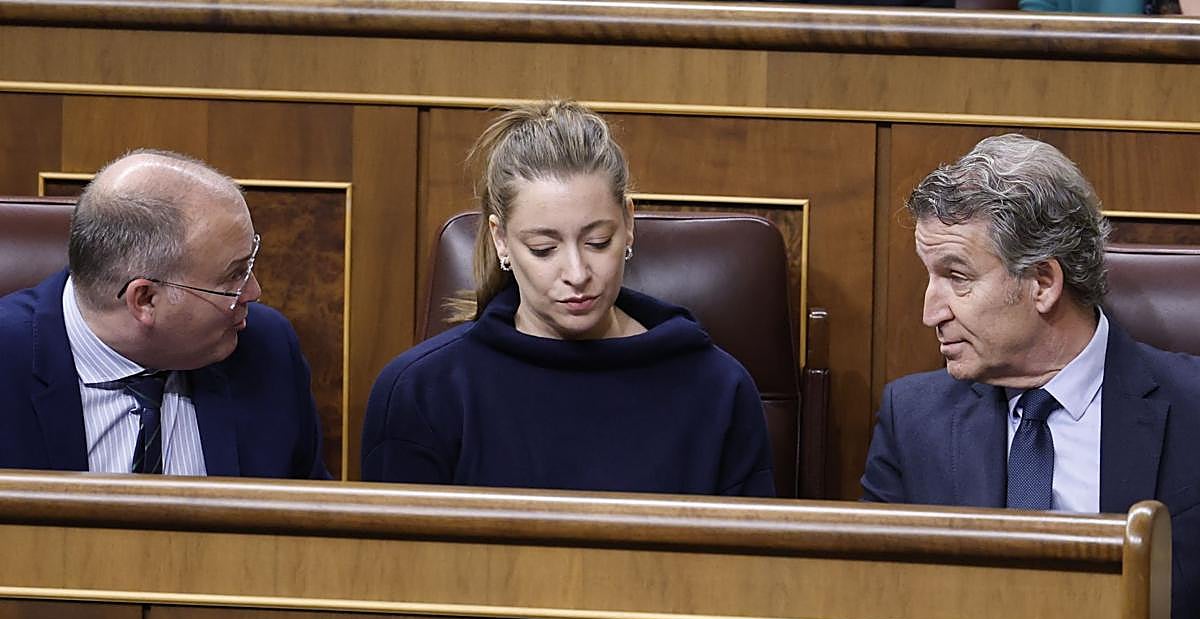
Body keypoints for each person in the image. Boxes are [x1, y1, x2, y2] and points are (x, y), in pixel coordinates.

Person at [860, 134, 1200, 619]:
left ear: (1043, 282)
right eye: (929, 276)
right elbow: (871, 610)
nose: (929, 312)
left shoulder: (1195, 410)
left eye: (957, 277)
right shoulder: (911, 419)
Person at [362, 100, 774, 496]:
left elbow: (749, 565)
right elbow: (398, 566)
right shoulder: (422, 392)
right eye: (544, 248)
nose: (577, 274)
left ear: (629, 224)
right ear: (500, 239)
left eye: (598, 242)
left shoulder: (718, 388)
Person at [0, 149, 329, 479]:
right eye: (233, 276)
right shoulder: (8, 363)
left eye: (249, 266)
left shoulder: (267, 351)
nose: (253, 293)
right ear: (144, 300)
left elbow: (310, 523)